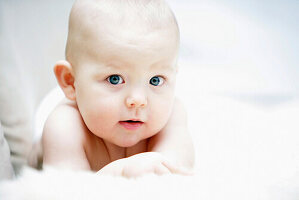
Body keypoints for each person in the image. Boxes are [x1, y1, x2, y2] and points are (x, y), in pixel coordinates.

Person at [42, 0, 194, 178]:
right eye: (115, 79)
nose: (138, 100)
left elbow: (176, 172)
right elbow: (65, 191)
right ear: (70, 81)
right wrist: (121, 172)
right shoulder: (65, 124)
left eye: (155, 80)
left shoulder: (171, 114)